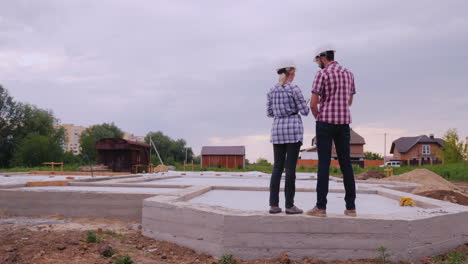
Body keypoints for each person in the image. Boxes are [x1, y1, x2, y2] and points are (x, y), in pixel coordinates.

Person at [307, 47, 357, 217]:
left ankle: (321, 208)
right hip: (343, 123)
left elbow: (313, 104)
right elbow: (349, 101)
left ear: (323, 58)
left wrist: (318, 117)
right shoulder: (349, 73)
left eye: (317, 61)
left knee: (323, 164)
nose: (318, 64)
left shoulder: (322, 74)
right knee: (346, 164)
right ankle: (351, 208)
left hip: (325, 122)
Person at [267, 61, 310, 214]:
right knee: (290, 169)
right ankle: (289, 205)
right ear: (291, 72)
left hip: (277, 130)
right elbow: (305, 111)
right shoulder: (294, 89)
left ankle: (273, 205)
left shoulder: (272, 90)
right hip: (293, 130)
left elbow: (269, 112)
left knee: (277, 168)